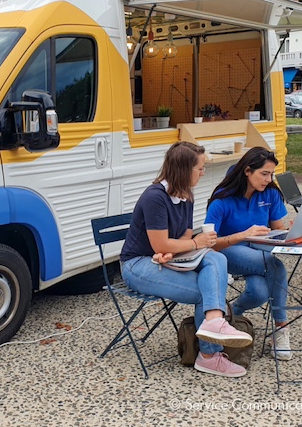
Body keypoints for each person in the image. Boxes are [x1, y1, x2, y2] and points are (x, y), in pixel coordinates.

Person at [120, 141, 253, 378]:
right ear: (183, 169)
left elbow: (182, 234)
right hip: (138, 264)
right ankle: (209, 355)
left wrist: (176, 250)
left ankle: (213, 322)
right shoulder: (155, 197)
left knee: (217, 260)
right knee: (208, 289)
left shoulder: (186, 195)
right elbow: (161, 244)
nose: (203, 173)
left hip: (166, 257)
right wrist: (194, 244)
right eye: (199, 168)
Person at [204, 147, 292, 361]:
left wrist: (290, 232)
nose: (268, 179)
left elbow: (277, 229)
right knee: (276, 267)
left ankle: (235, 311)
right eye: (264, 174)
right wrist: (242, 235)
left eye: (271, 174)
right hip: (228, 251)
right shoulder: (222, 200)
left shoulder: (270, 193)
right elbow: (210, 245)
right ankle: (281, 328)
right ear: (247, 171)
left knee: (259, 292)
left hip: (259, 250)